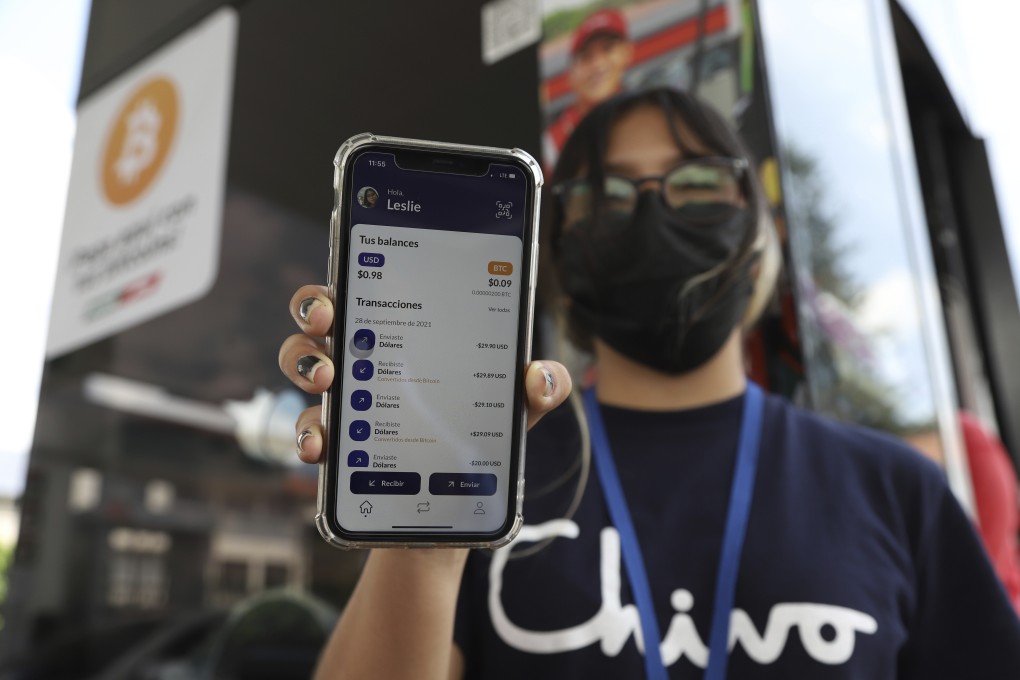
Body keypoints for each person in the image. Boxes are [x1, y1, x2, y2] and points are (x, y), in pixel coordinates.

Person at [279, 88, 1020, 679]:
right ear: (561, 248)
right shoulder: (487, 470)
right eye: (607, 194)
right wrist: (420, 526)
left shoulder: (896, 489)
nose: (655, 211)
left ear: (761, 229)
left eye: (698, 183)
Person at [543, 8, 634, 168]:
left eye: (607, 49)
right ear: (570, 75)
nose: (598, 65)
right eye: (586, 56)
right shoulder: (551, 144)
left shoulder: (645, 115)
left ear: (627, 53)